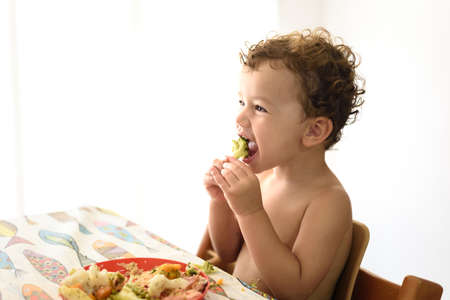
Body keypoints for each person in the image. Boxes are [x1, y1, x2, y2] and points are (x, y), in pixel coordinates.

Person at [203, 27, 365, 300]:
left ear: (313, 131)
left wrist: (250, 211)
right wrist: (221, 202)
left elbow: (294, 290)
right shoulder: (264, 178)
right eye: (242, 102)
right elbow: (226, 252)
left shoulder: (328, 202)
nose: (240, 118)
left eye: (259, 108)